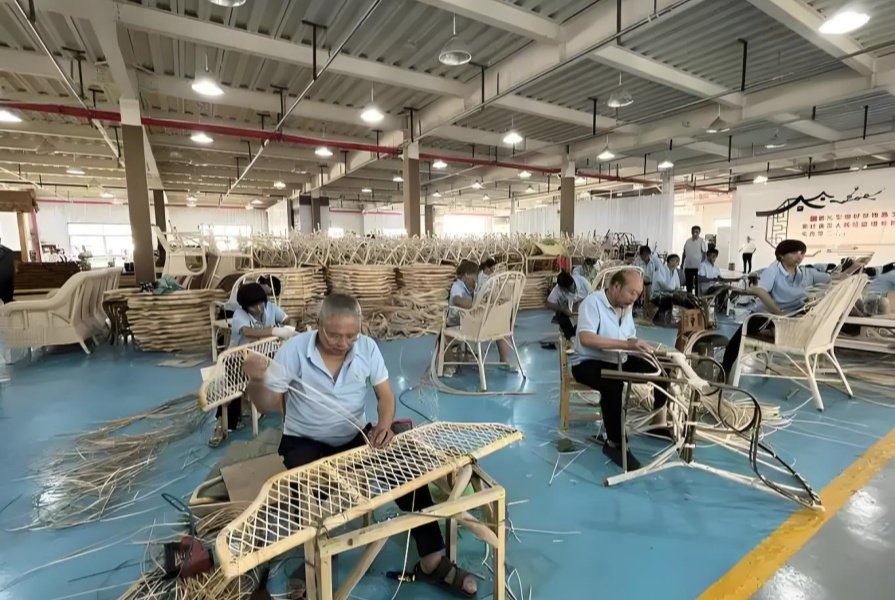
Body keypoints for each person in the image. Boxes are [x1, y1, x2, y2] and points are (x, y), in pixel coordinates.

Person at [243, 294, 478, 597]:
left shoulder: (366, 348)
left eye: (350, 335)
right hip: (304, 439)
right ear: (318, 325)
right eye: (334, 335)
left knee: (407, 470)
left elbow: (385, 396)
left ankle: (432, 560)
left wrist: (384, 425)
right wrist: (258, 381)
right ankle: (315, 559)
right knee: (309, 488)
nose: (342, 343)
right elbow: (267, 404)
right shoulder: (294, 350)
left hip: (353, 434)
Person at [570, 269, 667, 470]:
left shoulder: (625, 306)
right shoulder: (592, 303)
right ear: (615, 286)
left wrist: (642, 346)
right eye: (631, 292)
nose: (634, 299)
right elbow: (586, 338)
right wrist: (628, 345)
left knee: (663, 371)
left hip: (618, 358)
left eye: (637, 294)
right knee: (613, 385)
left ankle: (656, 424)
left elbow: (628, 337)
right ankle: (614, 443)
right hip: (588, 362)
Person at [209, 283, 295, 447]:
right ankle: (221, 425)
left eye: (261, 303)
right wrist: (274, 331)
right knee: (231, 390)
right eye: (253, 306)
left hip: (266, 354)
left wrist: (289, 326)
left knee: (290, 373)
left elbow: (287, 318)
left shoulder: (271, 307)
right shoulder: (239, 315)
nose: (259, 308)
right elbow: (247, 331)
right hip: (239, 358)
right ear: (246, 307)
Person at [721, 239, 819, 380]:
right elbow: (760, 291)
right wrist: (779, 313)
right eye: (794, 252)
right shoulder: (773, 270)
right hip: (768, 315)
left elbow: (828, 279)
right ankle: (725, 368)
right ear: (781, 255)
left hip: (791, 317)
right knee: (739, 339)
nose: (799, 256)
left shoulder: (802, 273)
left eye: (802, 253)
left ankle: (773, 331)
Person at [446, 261, 515, 372]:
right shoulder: (457, 286)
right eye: (474, 276)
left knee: (500, 327)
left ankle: (504, 360)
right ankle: (449, 365)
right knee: (443, 338)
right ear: (466, 275)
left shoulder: (472, 288)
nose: (476, 279)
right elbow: (457, 300)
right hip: (459, 322)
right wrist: (477, 303)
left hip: (474, 323)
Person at [545, 270, 593, 340]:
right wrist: (563, 309)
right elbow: (548, 304)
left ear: (572, 280)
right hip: (567, 310)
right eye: (567, 289)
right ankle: (570, 338)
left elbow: (593, 298)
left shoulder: (583, 282)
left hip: (584, 306)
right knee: (570, 334)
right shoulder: (558, 288)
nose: (570, 290)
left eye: (570, 287)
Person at [682, 226, 707, 294]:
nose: (695, 233)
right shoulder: (687, 241)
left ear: (699, 232)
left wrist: (704, 266)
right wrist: (682, 263)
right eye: (693, 232)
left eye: (696, 232)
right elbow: (684, 253)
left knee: (697, 285)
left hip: (698, 267)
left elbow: (704, 254)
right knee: (688, 284)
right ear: (691, 232)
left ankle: (697, 298)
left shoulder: (702, 241)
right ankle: (689, 297)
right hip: (688, 266)